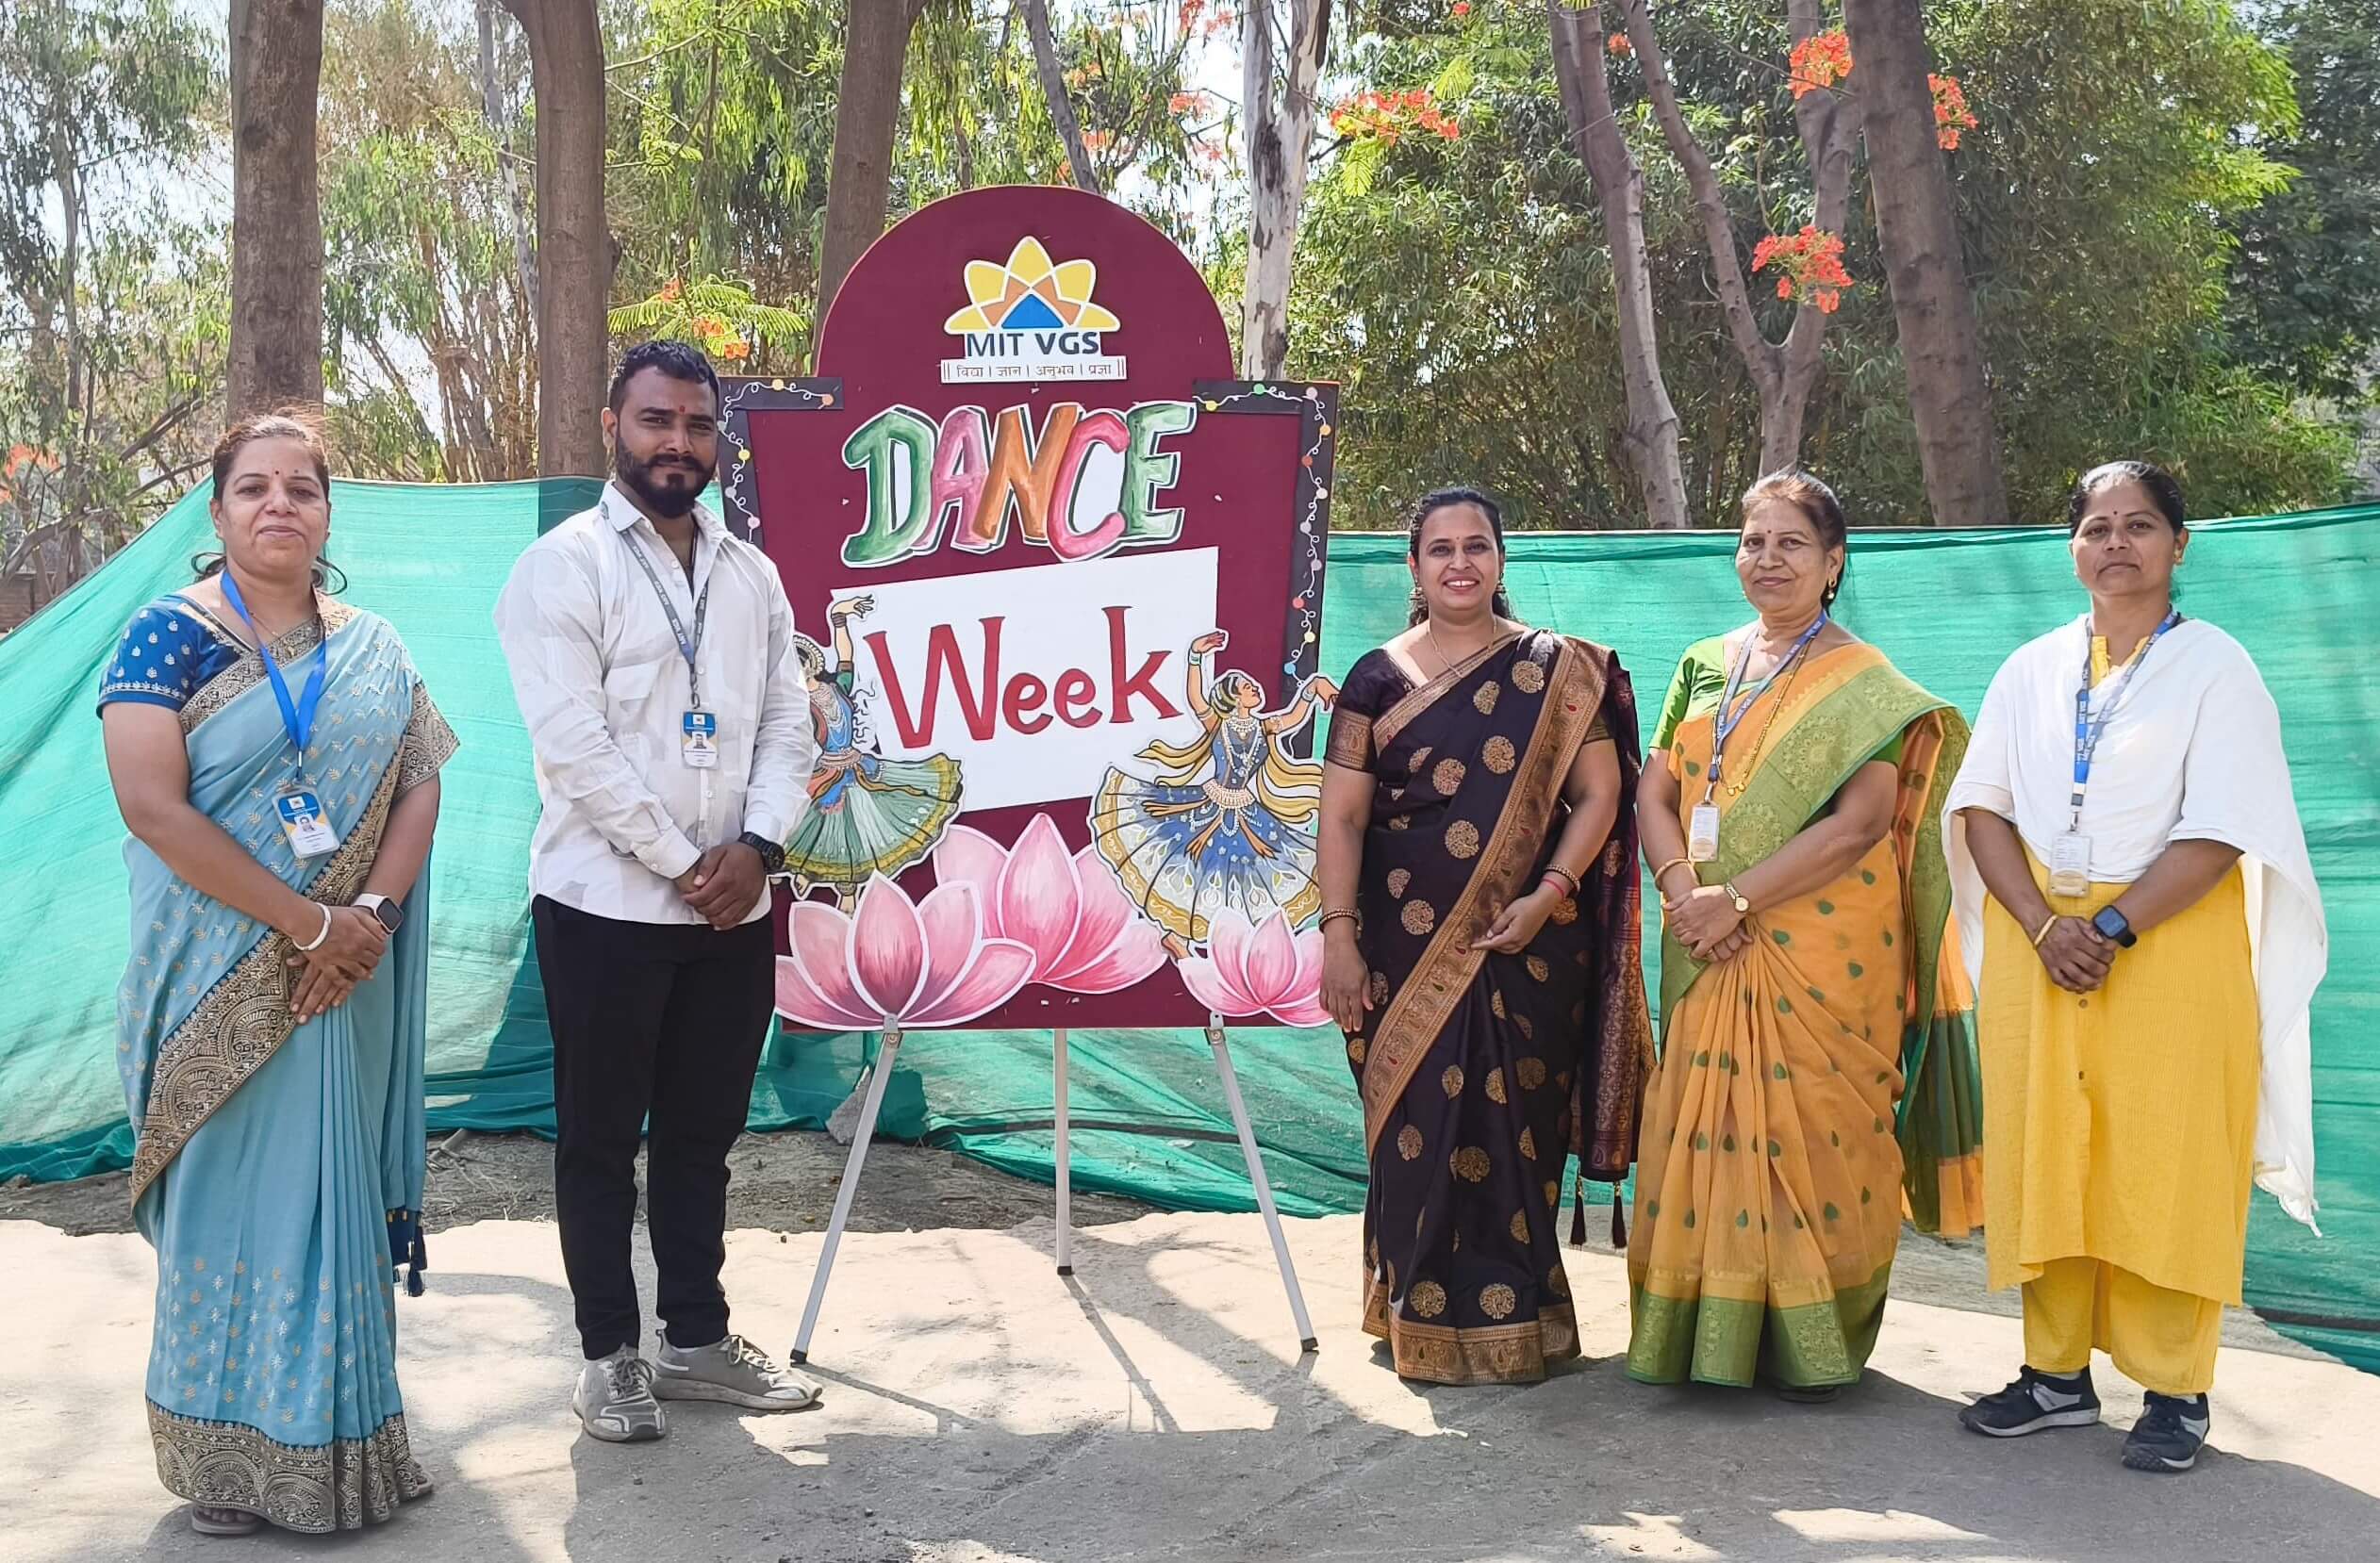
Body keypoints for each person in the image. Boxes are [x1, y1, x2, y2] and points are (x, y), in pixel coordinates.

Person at [99, 411, 456, 1536]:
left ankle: (344, 1446)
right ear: (217, 511)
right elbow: (152, 807)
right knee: (227, 1203)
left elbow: (420, 778)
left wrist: (374, 916)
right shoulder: (166, 637)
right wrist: (311, 923)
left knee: (326, 1195)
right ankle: (224, 1461)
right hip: (215, 971)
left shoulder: (375, 648)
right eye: (254, 487)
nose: (278, 505)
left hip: (344, 974)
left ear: (327, 513)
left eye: (301, 487)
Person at [1944, 459, 2325, 1473]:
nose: (2116, 543)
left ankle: (2175, 1389)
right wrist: (2038, 925)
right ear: (2072, 548)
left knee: (2164, 1154)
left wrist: (2105, 927)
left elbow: (2224, 828)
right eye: (2097, 526)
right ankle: (2054, 1375)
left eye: (2140, 525)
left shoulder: (2216, 668)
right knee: (2047, 1152)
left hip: (2166, 947)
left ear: (2177, 545)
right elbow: (1979, 807)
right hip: (2041, 954)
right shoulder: (2030, 667)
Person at [494, 341, 821, 1443]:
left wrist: (761, 845)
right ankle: (608, 1356)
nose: (676, 442)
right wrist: (688, 860)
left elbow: (790, 722)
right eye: (655, 421)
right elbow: (575, 748)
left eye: (694, 423)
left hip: (734, 905)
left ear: (715, 436)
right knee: (597, 1137)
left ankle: (693, 1338)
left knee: (700, 1135)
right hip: (604, 905)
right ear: (610, 427)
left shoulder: (752, 574)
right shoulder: (562, 566)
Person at [1627, 469, 1975, 1401]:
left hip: (1814, 948)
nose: (1765, 558)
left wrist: (1733, 898)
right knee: (1698, 1129)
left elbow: (1861, 822)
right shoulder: (1704, 663)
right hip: (1700, 934)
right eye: (1751, 540)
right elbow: (1654, 790)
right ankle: (1700, 1330)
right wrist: (1679, 888)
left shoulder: (1865, 685)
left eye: (1789, 543)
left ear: (1831, 563)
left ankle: (1807, 1343)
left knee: (1815, 1128)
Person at [1316, 487, 1651, 1386]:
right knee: (1411, 1131)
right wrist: (1338, 938)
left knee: (1518, 1130)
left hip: (1530, 946)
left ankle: (1521, 1320)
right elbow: (1342, 819)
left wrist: (1547, 894)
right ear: (1415, 568)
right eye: (1439, 549)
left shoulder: (1558, 670)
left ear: (1501, 560)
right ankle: (1416, 1315)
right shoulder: (1374, 677)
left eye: (1477, 546)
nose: (1459, 562)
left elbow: (1601, 796)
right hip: (1398, 945)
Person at [1091, 628, 1337, 958]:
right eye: (1246, 688)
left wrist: (1313, 688)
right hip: (1208, 806)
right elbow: (1196, 698)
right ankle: (1179, 939)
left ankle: (1234, 946)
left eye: (1252, 685)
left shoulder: (1265, 727)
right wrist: (1195, 656)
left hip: (1248, 812)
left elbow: (1294, 717)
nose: (1254, 688)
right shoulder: (1218, 725)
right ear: (1234, 699)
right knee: (1199, 872)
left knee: (1243, 878)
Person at [782, 594, 964, 904]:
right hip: (829, 774)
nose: (799, 668)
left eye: (800, 661)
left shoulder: (838, 686)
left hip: (859, 766)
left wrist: (840, 619)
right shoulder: (796, 704)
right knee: (830, 833)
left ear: (810, 662)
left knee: (864, 831)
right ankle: (834, 886)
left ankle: (846, 891)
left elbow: (845, 656)